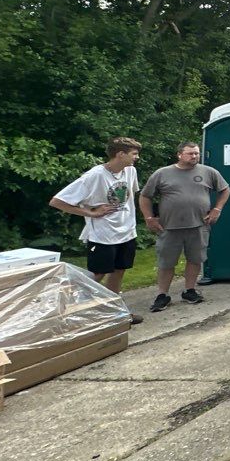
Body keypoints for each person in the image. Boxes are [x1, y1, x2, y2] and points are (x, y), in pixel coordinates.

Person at [49, 137, 145, 323]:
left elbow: (128, 196)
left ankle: (114, 309)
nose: (137, 157)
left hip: (126, 232)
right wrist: (90, 212)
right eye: (134, 154)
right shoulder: (95, 175)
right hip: (103, 235)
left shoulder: (130, 171)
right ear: (120, 154)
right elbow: (57, 201)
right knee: (98, 273)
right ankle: (69, 310)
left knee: (119, 270)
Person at [139, 142, 230, 313]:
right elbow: (145, 196)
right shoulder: (162, 174)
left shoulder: (208, 172)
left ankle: (190, 290)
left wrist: (217, 209)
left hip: (199, 225)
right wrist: (149, 217)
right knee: (166, 262)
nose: (194, 156)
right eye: (190, 153)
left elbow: (225, 190)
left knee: (195, 259)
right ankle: (162, 294)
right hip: (169, 226)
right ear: (179, 154)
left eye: (197, 153)